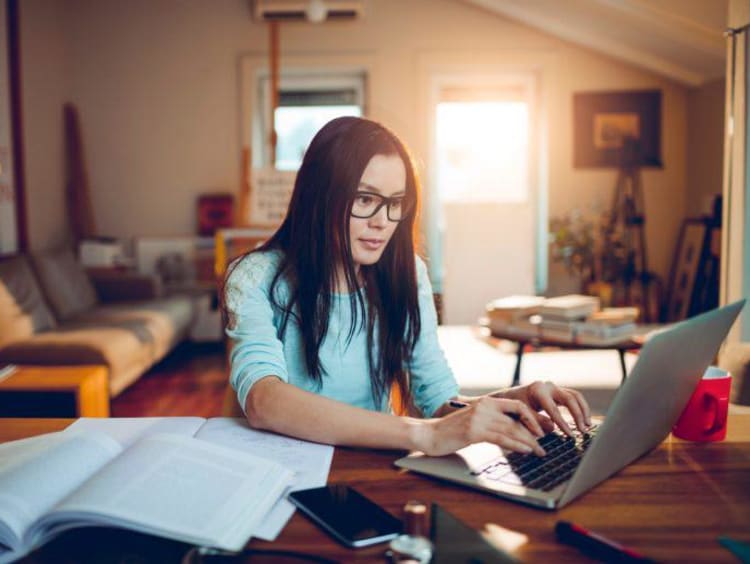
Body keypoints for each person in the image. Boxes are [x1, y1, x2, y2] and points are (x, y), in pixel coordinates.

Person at [223, 116, 591, 458]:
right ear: (321, 197)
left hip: (370, 465)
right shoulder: (255, 276)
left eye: (395, 203)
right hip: (281, 464)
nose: (383, 221)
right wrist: (424, 435)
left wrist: (514, 403)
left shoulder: (407, 273)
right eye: (365, 199)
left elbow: (439, 400)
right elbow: (263, 400)